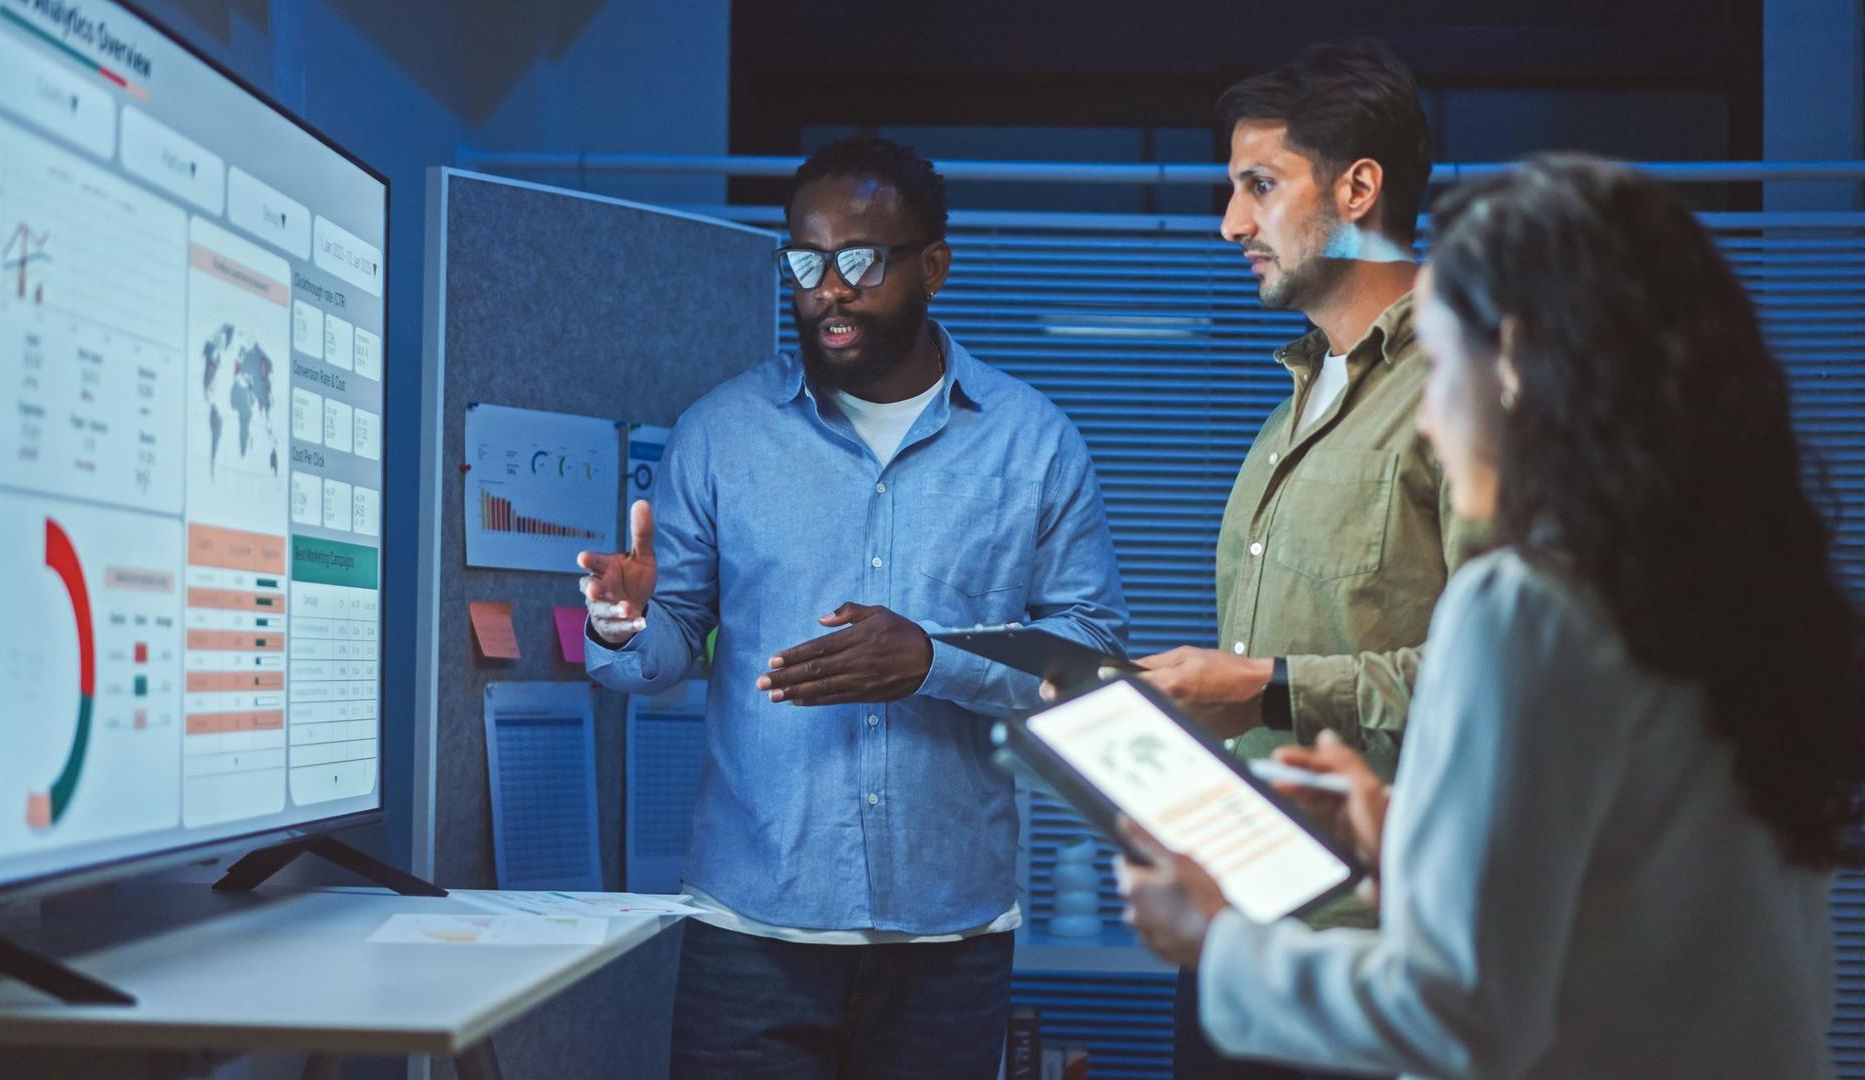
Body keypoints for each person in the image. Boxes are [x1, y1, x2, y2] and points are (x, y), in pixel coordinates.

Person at [1119, 154, 1863, 1079]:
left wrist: (1218, 938)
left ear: (1511, 359)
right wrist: (1411, 842)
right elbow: (1645, 899)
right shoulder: (1745, 595)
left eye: (1438, 360)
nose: (1429, 420)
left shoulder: (1525, 605)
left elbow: (1459, 1020)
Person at [580, 137, 1128, 1080]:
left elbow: (1092, 657)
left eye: (860, 260)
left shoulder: (1033, 445)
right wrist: (622, 620)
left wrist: (932, 661)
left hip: (948, 936)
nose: (826, 288)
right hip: (752, 928)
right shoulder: (722, 435)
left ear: (935, 265)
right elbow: (664, 647)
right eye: (805, 259)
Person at [1131, 41, 1471, 1079]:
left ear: (1358, 188)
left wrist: (1270, 687)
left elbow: (1504, 682)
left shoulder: (1463, 396)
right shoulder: (1296, 402)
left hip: (1370, 955)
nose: (1232, 224)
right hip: (1241, 923)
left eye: (1260, 186)